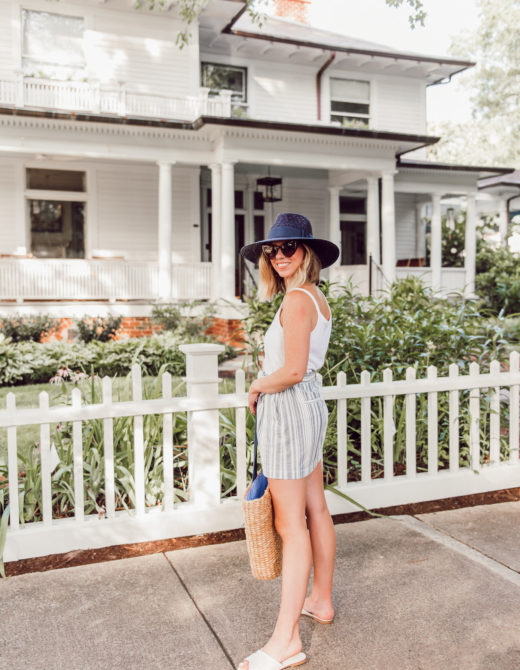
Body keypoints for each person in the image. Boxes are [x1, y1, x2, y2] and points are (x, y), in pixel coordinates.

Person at [238, 213, 340, 670]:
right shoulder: (313, 297)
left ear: (307, 253)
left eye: (289, 248)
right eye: (271, 250)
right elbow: (304, 371)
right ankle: (319, 600)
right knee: (314, 506)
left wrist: (258, 384)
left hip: (289, 408)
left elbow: (294, 370)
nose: (279, 256)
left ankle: (286, 641)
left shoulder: (298, 300)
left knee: (289, 524)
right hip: (307, 406)